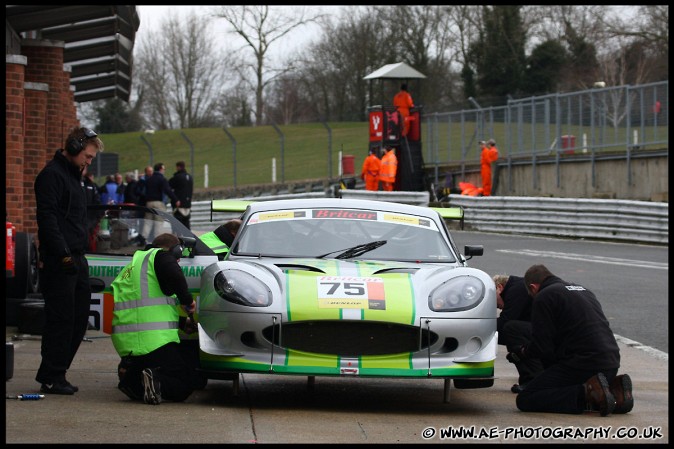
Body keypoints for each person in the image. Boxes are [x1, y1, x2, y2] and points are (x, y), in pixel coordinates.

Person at [507, 264, 632, 416]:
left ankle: (588, 393)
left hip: (583, 364)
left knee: (527, 398)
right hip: (611, 362)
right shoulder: (584, 290)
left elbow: (542, 348)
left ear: (533, 287)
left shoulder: (544, 296)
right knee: (556, 380)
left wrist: (522, 352)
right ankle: (614, 392)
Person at [34, 126, 104, 394]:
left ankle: (58, 371)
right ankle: (51, 375)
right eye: (87, 156)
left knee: (78, 318)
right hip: (59, 258)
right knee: (60, 319)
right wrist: (62, 253)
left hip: (77, 255)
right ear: (73, 148)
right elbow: (48, 219)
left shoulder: (75, 178)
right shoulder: (51, 176)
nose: (88, 161)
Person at [111, 233, 199, 405]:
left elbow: (143, 309)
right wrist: (187, 301)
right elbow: (174, 273)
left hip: (127, 344)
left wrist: (182, 323)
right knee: (187, 383)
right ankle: (154, 381)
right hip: (152, 342)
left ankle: (132, 382)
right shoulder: (160, 256)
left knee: (149, 367)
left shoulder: (133, 266)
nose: (178, 261)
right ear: (172, 251)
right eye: (178, 256)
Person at [493, 274, 543, 394]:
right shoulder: (520, 287)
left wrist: (476, 329)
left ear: (499, 287)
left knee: (511, 330)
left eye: (493, 299)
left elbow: (503, 324)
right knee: (514, 332)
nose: (497, 307)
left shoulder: (516, 290)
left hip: (551, 331)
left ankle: (531, 380)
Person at [141, 162, 180, 242]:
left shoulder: (149, 179)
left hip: (148, 203)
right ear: (161, 169)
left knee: (148, 222)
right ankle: (157, 240)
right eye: (164, 169)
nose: (164, 171)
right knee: (158, 222)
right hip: (158, 203)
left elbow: (144, 192)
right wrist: (175, 199)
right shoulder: (162, 179)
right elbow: (167, 190)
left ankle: (143, 239)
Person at [169, 161, 194, 229]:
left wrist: (175, 200)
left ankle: (178, 239)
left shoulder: (177, 177)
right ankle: (188, 238)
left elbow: (168, 187)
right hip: (187, 204)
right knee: (186, 225)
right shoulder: (190, 177)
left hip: (178, 205)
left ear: (178, 167)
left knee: (177, 226)